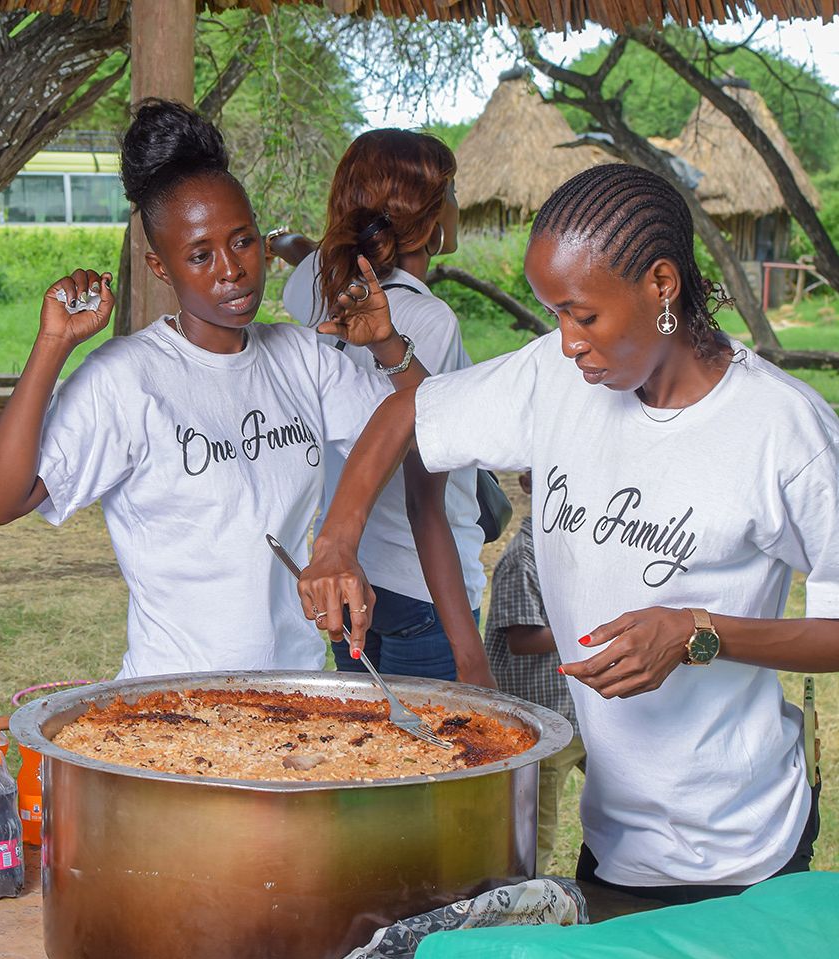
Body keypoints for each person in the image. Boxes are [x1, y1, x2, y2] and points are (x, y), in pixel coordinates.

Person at [298, 162, 838, 903]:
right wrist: (336, 543)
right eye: (554, 313)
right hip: (615, 842)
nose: (568, 340)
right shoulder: (558, 379)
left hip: (744, 852)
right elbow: (406, 416)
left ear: (660, 284)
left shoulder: (783, 430)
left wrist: (696, 632)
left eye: (583, 314)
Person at [0, 99, 442, 680]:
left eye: (242, 242)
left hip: (293, 691)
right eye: (199, 255)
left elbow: (427, 429)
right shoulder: (128, 379)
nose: (231, 269)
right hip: (173, 702)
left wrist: (388, 346)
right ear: (160, 267)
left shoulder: (299, 358)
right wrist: (53, 347)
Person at [266, 129, 490, 686]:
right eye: (452, 195)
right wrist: (470, 654)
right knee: (431, 764)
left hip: (356, 584)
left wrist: (281, 240)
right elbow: (425, 497)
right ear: (430, 218)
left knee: (368, 758)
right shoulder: (430, 323)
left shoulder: (322, 291)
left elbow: (304, 253)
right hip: (424, 589)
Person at [485, 470, 586, 873]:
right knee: (537, 830)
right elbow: (522, 639)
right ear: (528, 483)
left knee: (624, 803)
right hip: (544, 720)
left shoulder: (577, 552)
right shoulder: (523, 556)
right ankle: (530, 902)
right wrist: (590, 628)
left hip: (582, 711)